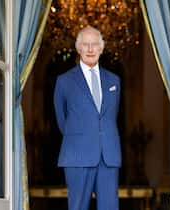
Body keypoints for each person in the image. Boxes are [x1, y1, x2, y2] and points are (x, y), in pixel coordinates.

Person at [53, 26, 121, 210]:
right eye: (85, 45)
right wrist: (80, 136)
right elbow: (62, 119)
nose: (90, 49)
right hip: (77, 155)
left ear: (101, 47)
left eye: (94, 45)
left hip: (108, 156)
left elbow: (110, 116)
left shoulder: (114, 80)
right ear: (78, 48)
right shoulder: (64, 81)